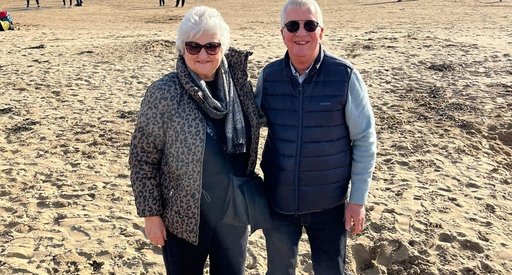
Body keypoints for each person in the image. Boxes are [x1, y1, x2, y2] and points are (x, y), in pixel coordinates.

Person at [129, 6, 260, 275]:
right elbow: (142, 157)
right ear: (181, 49)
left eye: (212, 46)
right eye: (193, 46)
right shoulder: (164, 92)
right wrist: (151, 215)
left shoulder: (240, 86)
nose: (203, 54)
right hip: (183, 218)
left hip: (233, 212)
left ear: (223, 47)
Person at [255, 0, 377, 274]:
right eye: (292, 25)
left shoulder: (344, 76)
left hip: (329, 205)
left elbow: (364, 140)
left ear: (321, 31)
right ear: (282, 33)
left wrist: (357, 200)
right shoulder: (269, 76)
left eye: (310, 25)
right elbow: (250, 128)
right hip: (279, 203)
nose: (301, 33)